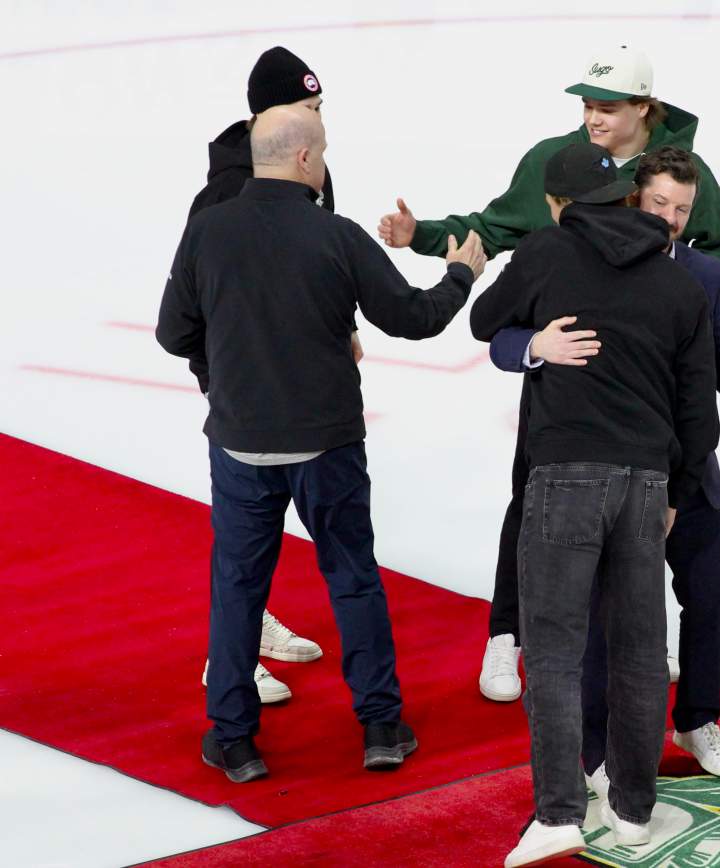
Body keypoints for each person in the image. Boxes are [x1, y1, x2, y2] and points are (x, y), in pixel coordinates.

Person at [377, 47, 720, 702]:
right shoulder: (560, 161)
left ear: (643, 108)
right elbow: (494, 230)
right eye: (586, 105)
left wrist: (678, 297)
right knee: (534, 501)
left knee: (646, 506)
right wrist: (424, 235)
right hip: (565, 378)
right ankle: (505, 636)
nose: (592, 117)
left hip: (646, 375)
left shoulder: (686, 173)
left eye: (606, 107)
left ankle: (639, 640)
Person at [157, 104, 486, 782]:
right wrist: (460, 273)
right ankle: (381, 727)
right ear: (307, 159)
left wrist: (230, 372)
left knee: (239, 586)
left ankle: (234, 738)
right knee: (352, 578)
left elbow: (173, 334)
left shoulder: (208, 230)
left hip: (241, 444)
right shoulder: (334, 235)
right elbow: (414, 319)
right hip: (327, 446)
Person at [470, 142, 718, 866]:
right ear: (627, 201)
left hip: (562, 478)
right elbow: (698, 416)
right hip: (646, 484)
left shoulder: (546, 252)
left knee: (552, 651)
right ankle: (635, 813)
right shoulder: (680, 286)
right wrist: (674, 490)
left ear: (558, 205)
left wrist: (534, 340)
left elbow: (486, 320)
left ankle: (558, 814)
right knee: (642, 653)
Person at [189, 46, 342, 704]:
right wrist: (218, 375)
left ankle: (255, 624)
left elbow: (322, 260)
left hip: (305, 382)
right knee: (245, 523)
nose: (317, 119)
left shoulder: (313, 168)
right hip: (246, 382)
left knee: (271, 514)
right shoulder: (225, 191)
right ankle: (226, 657)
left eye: (318, 107)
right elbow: (194, 296)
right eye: (306, 108)